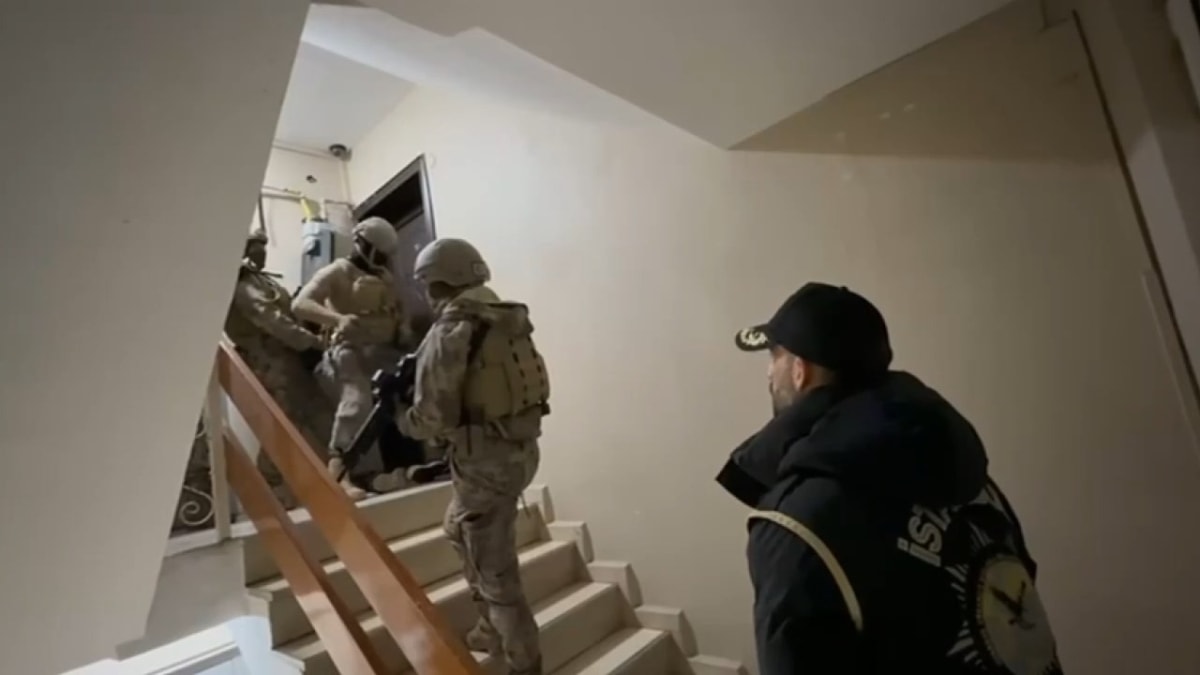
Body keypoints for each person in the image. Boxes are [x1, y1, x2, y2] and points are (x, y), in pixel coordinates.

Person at [718, 283, 1062, 675]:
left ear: (800, 371)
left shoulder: (795, 525)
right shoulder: (966, 472)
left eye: (774, 356)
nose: (769, 371)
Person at [393, 238, 548, 675]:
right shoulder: (507, 319)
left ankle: (523, 663)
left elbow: (433, 418)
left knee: (498, 578)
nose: (426, 293)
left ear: (438, 281)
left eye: (426, 284)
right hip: (519, 453)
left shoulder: (451, 330)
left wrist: (402, 419)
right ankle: (488, 628)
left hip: (484, 467)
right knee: (455, 528)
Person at [292, 216, 411, 499]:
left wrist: (404, 327)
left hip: (383, 351)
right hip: (350, 351)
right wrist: (337, 319)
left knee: (411, 393)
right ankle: (338, 472)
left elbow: (398, 305)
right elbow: (300, 304)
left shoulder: (384, 276)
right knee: (356, 402)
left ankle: (381, 473)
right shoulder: (338, 271)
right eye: (379, 254)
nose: (382, 261)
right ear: (363, 245)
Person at [225, 231, 330, 507]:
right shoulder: (242, 284)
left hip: (287, 357)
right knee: (283, 424)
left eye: (263, 247)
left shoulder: (261, 279)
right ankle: (269, 491)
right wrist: (310, 342)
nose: (262, 252)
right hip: (269, 359)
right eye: (256, 247)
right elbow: (271, 319)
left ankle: (332, 477)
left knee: (309, 415)